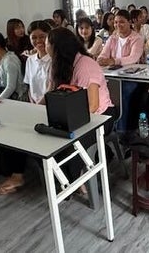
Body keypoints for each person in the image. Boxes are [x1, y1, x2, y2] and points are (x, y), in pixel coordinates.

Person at [0, 21, 52, 195]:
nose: (38, 41)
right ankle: (15, 174)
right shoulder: (31, 60)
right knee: (9, 129)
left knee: (22, 131)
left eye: (42, 37)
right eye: (34, 37)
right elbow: (29, 87)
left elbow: (51, 90)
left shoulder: (55, 60)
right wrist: (31, 106)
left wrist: (36, 108)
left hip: (49, 108)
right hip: (33, 106)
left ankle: (17, 175)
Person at [48, 27, 115, 182]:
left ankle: (73, 182)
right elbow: (51, 93)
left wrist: (69, 122)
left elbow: (92, 106)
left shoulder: (85, 65)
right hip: (73, 114)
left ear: (57, 48)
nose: (45, 48)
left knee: (70, 144)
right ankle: (66, 178)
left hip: (100, 115)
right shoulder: (58, 64)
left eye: (47, 44)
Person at [97, 9, 144, 132]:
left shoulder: (137, 38)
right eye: (116, 22)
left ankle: (121, 130)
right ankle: (106, 129)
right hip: (113, 76)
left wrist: (114, 61)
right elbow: (102, 55)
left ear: (129, 22)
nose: (118, 25)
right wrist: (101, 59)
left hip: (131, 78)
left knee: (120, 94)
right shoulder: (113, 38)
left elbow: (133, 58)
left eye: (122, 22)